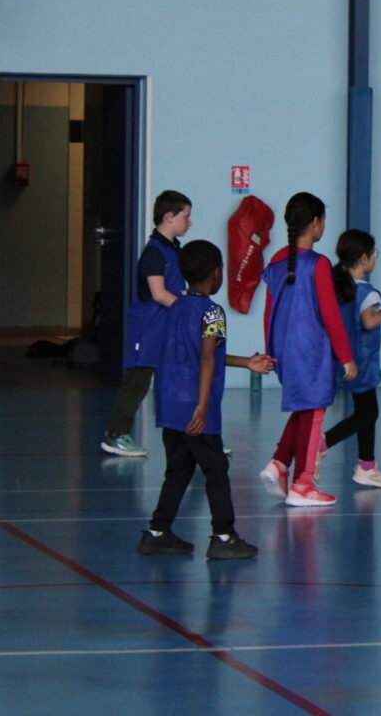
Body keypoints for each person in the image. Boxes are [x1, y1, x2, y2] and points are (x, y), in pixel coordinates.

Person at [137, 240, 273, 559]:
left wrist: (247, 362)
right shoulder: (212, 312)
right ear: (216, 273)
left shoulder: (175, 307)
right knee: (216, 470)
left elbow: (198, 352)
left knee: (179, 469)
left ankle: (158, 532)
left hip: (170, 404)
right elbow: (207, 358)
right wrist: (201, 406)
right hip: (196, 407)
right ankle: (224, 536)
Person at [257, 193, 357, 507]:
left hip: (284, 349)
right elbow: (330, 315)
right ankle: (304, 482)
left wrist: (270, 350)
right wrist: (346, 356)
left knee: (303, 407)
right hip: (310, 350)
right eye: (323, 220)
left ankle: (279, 463)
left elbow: (268, 312)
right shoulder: (318, 263)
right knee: (314, 413)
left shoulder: (276, 261)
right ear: (315, 223)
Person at [102, 190, 191, 457]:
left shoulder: (174, 250)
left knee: (183, 379)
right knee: (137, 381)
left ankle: (196, 434)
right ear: (169, 216)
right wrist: (188, 309)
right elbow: (159, 294)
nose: (189, 222)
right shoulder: (154, 253)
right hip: (149, 328)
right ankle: (116, 434)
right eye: (186, 216)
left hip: (169, 328)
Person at [317, 230, 381, 488]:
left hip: (341, 359)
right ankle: (322, 443)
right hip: (362, 362)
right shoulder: (367, 292)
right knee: (368, 413)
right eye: (374, 254)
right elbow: (368, 321)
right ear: (364, 258)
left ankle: (367, 465)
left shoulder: (338, 287)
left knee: (366, 411)